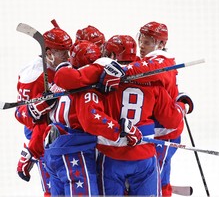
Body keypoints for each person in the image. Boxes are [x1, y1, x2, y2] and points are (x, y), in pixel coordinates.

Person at [95, 35, 192, 196]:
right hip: (143, 156)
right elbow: (171, 119)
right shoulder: (153, 82)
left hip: (110, 155)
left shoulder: (100, 83)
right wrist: (182, 104)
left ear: (112, 56)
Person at [43, 40, 134, 196]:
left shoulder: (60, 80)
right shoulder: (88, 89)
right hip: (74, 152)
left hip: (53, 149)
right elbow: (92, 121)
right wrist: (122, 132)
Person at [124, 21, 192, 196]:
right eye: (141, 40)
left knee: (154, 179)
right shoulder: (153, 61)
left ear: (161, 44)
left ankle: (163, 189)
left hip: (165, 133)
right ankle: (165, 187)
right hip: (159, 132)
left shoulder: (161, 62)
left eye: (147, 42)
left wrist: (119, 70)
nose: (141, 46)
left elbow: (146, 71)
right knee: (158, 173)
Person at [15, 20, 72, 196]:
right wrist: (32, 150)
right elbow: (28, 116)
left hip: (47, 134)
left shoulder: (40, 68)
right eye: (63, 52)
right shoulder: (42, 75)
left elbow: (22, 113)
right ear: (48, 53)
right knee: (54, 189)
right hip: (44, 137)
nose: (68, 56)